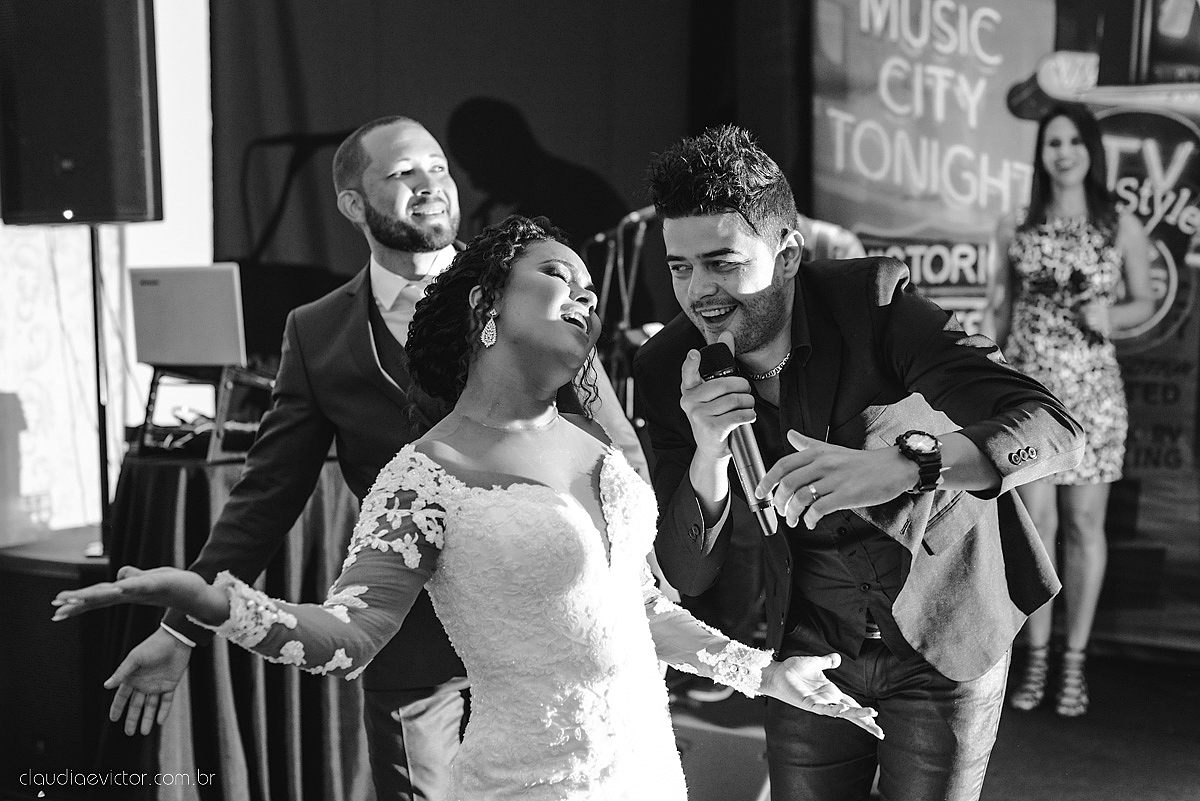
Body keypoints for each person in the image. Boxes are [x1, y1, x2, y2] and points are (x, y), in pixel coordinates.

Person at [55, 214, 883, 801]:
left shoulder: (596, 448)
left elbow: (640, 610)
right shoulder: (425, 475)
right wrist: (213, 603)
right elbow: (348, 640)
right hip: (529, 784)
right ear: (488, 309)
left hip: (646, 775)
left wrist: (763, 672)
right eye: (558, 276)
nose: (586, 297)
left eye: (592, 289)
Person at [102, 115, 643, 801]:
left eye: (439, 167)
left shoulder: (539, 290)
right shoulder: (319, 331)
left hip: (550, 634)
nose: (430, 185)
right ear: (354, 204)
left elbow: (615, 446)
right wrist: (180, 626)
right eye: (401, 173)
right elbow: (264, 497)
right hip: (414, 654)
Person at [632, 125, 1086, 801]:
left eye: (723, 262)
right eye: (680, 267)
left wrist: (909, 466)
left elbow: (1052, 426)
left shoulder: (871, 305)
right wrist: (706, 452)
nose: (700, 292)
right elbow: (689, 572)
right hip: (814, 644)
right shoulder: (669, 364)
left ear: (787, 254)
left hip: (946, 626)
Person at [989, 103, 1153, 718]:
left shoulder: (1119, 225)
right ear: (1042, 152)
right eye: (1052, 142)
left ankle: (1075, 663)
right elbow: (998, 309)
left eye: (1073, 141)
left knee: (1086, 528)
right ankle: (1035, 656)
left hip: (1095, 397)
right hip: (1030, 397)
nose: (1062, 152)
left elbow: (1145, 301)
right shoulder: (1015, 223)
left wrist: (1114, 317)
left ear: (1089, 149)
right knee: (1038, 531)